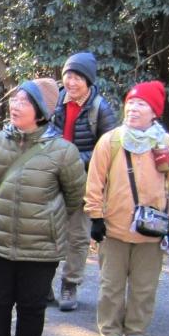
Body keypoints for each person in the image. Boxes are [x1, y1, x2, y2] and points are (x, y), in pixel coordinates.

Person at [0, 79, 85, 336]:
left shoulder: (63, 152)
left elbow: (75, 196)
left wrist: (46, 220)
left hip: (41, 244)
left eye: (23, 101)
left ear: (39, 111)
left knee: (32, 304)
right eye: (14, 100)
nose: (14, 105)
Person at [84, 81, 169, 336]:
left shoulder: (168, 146)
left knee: (144, 287)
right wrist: (95, 217)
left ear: (154, 111)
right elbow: (95, 182)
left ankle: (136, 329)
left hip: (151, 231)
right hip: (114, 227)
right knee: (111, 285)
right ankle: (109, 330)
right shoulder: (111, 141)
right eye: (130, 103)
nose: (133, 108)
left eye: (141, 104)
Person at [49, 52, 117, 311]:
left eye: (77, 77)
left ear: (88, 80)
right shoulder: (56, 100)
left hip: (84, 180)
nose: (71, 82)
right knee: (48, 232)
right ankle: (43, 284)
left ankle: (70, 284)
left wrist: (74, 157)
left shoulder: (101, 108)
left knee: (77, 236)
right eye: (68, 76)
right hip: (54, 178)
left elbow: (109, 148)